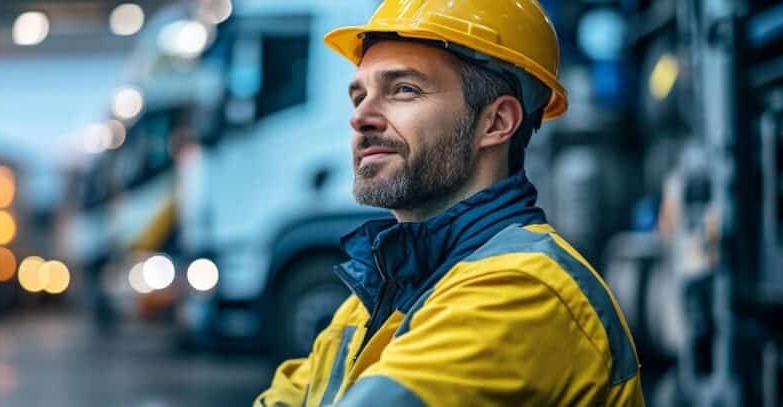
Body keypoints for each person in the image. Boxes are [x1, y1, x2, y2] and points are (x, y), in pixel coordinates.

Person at [254, 0, 645, 405]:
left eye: (403, 89)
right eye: (359, 97)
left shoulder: (522, 291)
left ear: (496, 123)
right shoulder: (371, 302)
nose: (360, 118)